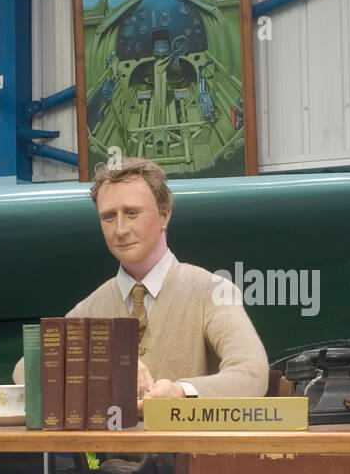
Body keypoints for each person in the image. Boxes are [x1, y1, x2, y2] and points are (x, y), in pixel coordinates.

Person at [14, 156, 268, 409]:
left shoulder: (211, 291)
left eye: (132, 213)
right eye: (109, 217)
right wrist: (102, 361)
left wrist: (182, 393)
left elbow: (252, 374)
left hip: (187, 448)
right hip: (109, 450)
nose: (120, 229)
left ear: (164, 216)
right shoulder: (91, 309)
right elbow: (24, 370)